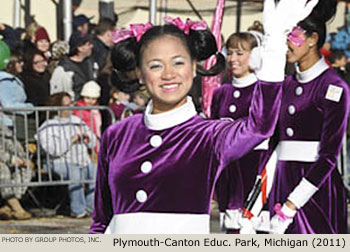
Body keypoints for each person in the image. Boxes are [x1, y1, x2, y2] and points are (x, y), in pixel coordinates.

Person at [89, 0, 317, 234]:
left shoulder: (209, 136)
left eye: (178, 63)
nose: (169, 74)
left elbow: (260, 127)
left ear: (194, 66)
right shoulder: (117, 135)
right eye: (155, 65)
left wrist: (274, 47)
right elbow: (100, 221)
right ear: (139, 72)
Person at [257, 0, 349, 234]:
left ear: (312, 39)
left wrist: (291, 205)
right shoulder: (285, 84)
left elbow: (328, 156)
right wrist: (262, 200)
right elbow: (272, 142)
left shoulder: (334, 86)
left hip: (315, 189)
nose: (287, 42)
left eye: (293, 35)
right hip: (280, 181)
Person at [210, 29, 267, 233]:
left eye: (240, 53)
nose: (233, 58)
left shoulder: (262, 91)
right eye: (230, 52)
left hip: (254, 169)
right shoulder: (221, 93)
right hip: (228, 172)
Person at [37, 92, 97, 218]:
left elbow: (93, 141)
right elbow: (54, 151)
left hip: (81, 159)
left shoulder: (77, 121)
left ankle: (91, 207)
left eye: (71, 103)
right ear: (57, 107)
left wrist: (88, 139)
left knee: (96, 170)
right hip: (58, 162)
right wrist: (71, 140)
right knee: (74, 171)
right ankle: (78, 210)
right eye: (67, 104)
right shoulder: (48, 126)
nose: (71, 106)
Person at [0, 115, 32, 220]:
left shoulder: (5, 131)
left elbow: (15, 146)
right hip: (3, 161)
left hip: (7, 159)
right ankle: (17, 208)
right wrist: (11, 159)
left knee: (26, 169)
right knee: (2, 168)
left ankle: (8, 206)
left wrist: (22, 159)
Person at [50, 32, 94, 101]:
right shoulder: (63, 69)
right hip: (74, 108)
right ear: (80, 48)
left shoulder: (91, 64)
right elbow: (57, 95)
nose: (92, 46)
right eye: (89, 44)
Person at [73, 80, 102, 152]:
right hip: (84, 142)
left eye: (93, 98)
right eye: (87, 98)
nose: (90, 101)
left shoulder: (95, 110)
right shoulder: (79, 110)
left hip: (94, 139)